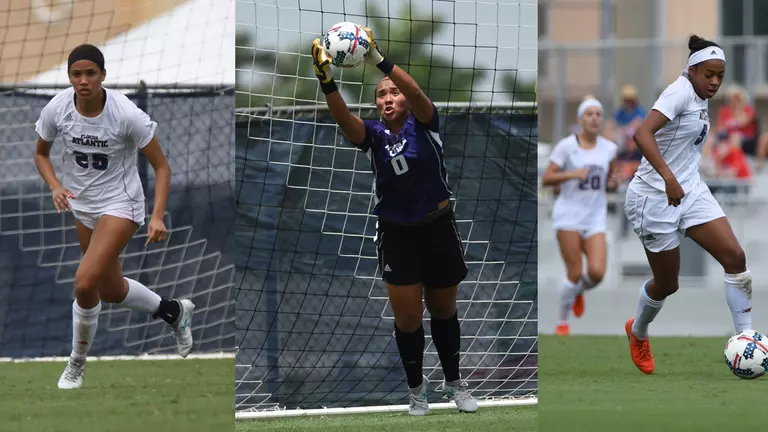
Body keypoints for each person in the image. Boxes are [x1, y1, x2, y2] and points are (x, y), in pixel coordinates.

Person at [310, 28, 477, 415]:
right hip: (397, 233)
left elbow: (417, 94)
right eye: (381, 94)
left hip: (438, 227)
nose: (388, 98)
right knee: (408, 316)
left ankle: (456, 384)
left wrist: (379, 60)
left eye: (392, 92)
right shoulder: (373, 134)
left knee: (444, 310)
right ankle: (416, 391)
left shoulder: (425, 123)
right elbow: (343, 120)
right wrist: (327, 81)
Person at [33, 44, 195, 389]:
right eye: (77, 74)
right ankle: (173, 311)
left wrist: (157, 216)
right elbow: (41, 154)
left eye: (90, 73)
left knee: (83, 282)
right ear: (69, 78)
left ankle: (76, 364)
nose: (83, 80)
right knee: (109, 289)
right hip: (84, 206)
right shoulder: (58, 108)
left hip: (121, 205)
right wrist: (54, 186)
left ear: (103, 75)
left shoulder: (125, 114)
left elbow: (162, 166)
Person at [624, 35, 751, 374]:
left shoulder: (700, 95)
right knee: (668, 284)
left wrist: (681, 177)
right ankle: (637, 332)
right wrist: (667, 177)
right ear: (692, 70)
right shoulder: (678, 92)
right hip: (654, 196)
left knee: (735, 258)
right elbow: (641, 134)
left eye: (719, 76)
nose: (714, 81)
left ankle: (747, 342)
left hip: (690, 190)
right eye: (708, 74)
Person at [542, 96, 619, 336]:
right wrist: (572, 174)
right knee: (574, 272)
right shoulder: (567, 146)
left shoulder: (609, 148)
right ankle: (562, 322)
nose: (594, 118)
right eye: (589, 114)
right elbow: (546, 179)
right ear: (580, 119)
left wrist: (614, 183)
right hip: (569, 215)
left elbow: (610, 180)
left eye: (598, 114)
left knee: (596, 273)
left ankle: (577, 292)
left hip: (595, 216)